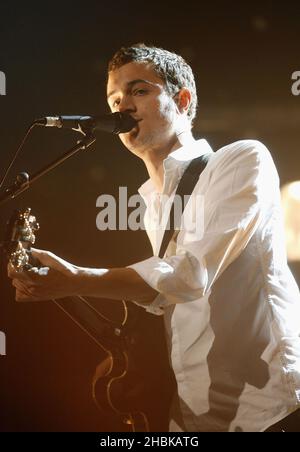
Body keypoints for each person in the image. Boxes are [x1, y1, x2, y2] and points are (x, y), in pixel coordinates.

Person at [8, 44, 300, 432]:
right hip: (193, 415)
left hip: (269, 407)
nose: (121, 106)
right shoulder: (151, 202)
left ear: (182, 99)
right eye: (114, 98)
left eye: (139, 91)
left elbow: (190, 275)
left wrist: (77, 279)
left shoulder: (241, 159)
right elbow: (167, 300)